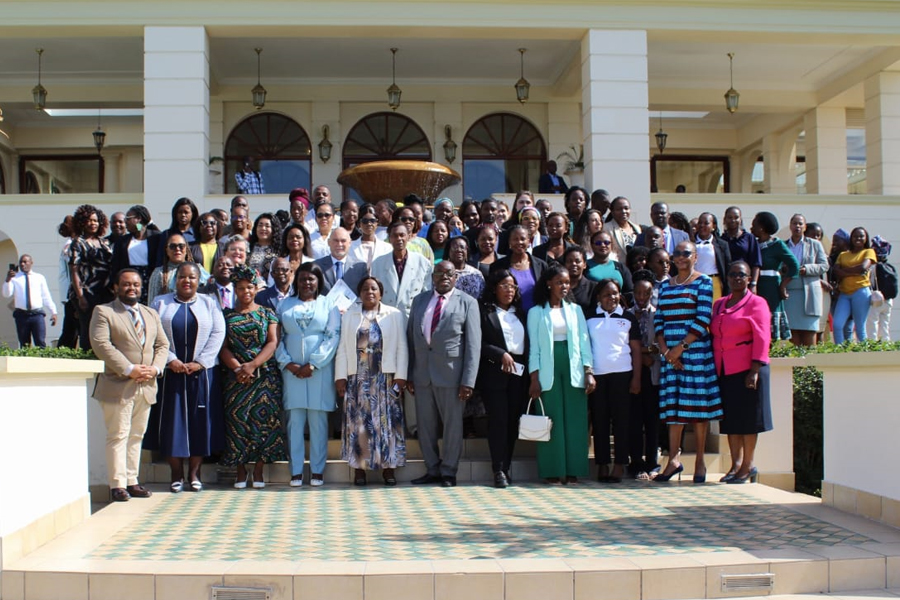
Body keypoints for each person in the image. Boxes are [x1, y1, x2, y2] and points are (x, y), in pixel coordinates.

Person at [89, 268, 169, 502]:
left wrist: (155, 368)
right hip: (118, 385)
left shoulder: (150, 313)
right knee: (118, 435)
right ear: (115, 287)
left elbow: (162, 345)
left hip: (146, 385)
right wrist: (129, 369)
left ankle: (132, 480)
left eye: (135, 284)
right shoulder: (104, 312)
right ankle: (117, 485)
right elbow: (101, 344)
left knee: (137, 436)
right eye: (126, 284)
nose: (131, 288)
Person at [147, 263, 226, 492]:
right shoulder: (160, 303)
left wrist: (200, 361)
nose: (187, 281)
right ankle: (176, 474)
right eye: (182, 277)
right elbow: (155, 334)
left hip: (202, 375)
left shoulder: (209, 303)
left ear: (198, 280)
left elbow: (218, 332)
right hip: (172, 373)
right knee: (173, 424)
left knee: (199, 422)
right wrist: (171, 359)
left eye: (192, 277)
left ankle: (194, 473)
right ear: (175, 279)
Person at [407, 260, 482, 487]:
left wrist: (468, 380)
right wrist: (410, 373)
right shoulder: (419, 301)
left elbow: (473, 344)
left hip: (452, 375)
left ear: (455, 277)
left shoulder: (467, 302)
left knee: (452, 426)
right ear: (433, 276)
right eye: (439, 273)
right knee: (426, 426)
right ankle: (432, 469)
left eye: (449, 273)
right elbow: (411, 339)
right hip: (422, 375)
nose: (444, 277)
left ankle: (449, 471)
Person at [654, 241, 722, 483]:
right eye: (677, 254)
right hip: (670, 357)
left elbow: (704, 318)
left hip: (694, 353)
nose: (681, 257)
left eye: (686, 253)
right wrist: (666, 351)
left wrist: (680, 348)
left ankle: (701, 461)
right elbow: (659, 319)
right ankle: (673, 460)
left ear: (695, 257)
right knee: (674, 408)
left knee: (697, 409)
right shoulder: (665, 286)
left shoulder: (703, 282)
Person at [335, 276, 409, 486]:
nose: (370, 292)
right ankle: (360, 469)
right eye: (365, 289)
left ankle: (388, 469)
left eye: (374, 288)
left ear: (381, 293)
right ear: (360, 294)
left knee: (387, 423)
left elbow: (402, 347)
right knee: (360, 425)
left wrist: (401, 377)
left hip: (385, 378)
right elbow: (342, 347)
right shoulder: (350, 315)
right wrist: (340, 377)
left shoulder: (394, 315)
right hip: (358, 379)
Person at [219, 264, 287, 489]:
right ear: (235, 290)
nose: (246, 292)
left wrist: (253, 366)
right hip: (235, 377)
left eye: (250, 287)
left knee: (262, 422)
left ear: (256, 288)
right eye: (240, 288)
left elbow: (273, 342)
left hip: (264, 375)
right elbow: (223, 346)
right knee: (237, 422)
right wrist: (239, 368)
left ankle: (258, 469)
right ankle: (240, 469)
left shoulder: (267, 313)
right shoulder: (226, 315)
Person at [527, 263, 595, 484]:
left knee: (575, 420)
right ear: (549, 284)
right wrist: (534, 378)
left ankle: (574, 469)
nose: (564, 286)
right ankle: (552, 470)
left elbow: (585, 342)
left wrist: (589, 371)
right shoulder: (536, 312)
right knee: (552, 419)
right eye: (559, 282)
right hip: (548, 369)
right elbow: (534, 347)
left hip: (573, 367)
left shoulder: (575, 311)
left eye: (566, 282)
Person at [276, 263, 341, 488]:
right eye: (302, 279)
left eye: (311, 279)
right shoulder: (284, 304)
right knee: (294, 422)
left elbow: (333, 336)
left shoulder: (328, 304)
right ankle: (295, 471)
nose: (307, 283)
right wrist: (288, 363)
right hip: (291, 372)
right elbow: (277, 336)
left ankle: (317, 470)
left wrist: (313, 364)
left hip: (319, 372)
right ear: (297, 281)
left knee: (318, 422)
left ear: (318, 282)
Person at [711, 260, 772, 484]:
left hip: (748, 369)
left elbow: (763, 337)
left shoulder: (757, 303)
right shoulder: (719, 304)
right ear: (726, 278)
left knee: (748, 420)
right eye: (733, 274)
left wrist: (755, 369)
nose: (737, 278)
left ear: (749, 279)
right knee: (731, 421)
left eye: (742, 275)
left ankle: (748, 465)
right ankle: (735, 464)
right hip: (725, 369)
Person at [585, 278, 641, 483]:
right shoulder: (589, 317)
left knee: (622, 422)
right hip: (597, 377)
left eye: (616, 293)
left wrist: (636, 378)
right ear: (599, 297)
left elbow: (636, 350)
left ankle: (619, 464)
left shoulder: (628, 318)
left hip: (623, 375)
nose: (612, 298)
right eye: (607, 294)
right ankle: (602, 464)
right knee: (600, 421)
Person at [477, 269, 529, 488]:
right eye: (504, 286)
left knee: (512, 421)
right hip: (494, 372)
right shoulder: (484, 311)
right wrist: (500, 354)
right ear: (494, 288)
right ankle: (498, 470)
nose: (509, 290)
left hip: (519, 374)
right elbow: (477, 343)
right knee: (498, 421)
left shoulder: (521, 313)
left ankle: (506, 466)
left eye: (513, 286)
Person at [628, 270, 661, 480]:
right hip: (633, 374)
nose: (641, 298)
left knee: (653, 421)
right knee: (634, 420)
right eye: (638, 293)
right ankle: (636, 462)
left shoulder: (658, 314)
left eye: (646, 293)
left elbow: (661, 342)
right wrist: (643, 353)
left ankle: (652, 462)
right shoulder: (626, 314)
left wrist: (650, 352)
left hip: (653, 374)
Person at [69, 204, 113, 350]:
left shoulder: (105, 243)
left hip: (105, 292)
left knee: (104, 328)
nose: (93, 223)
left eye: (95, 220)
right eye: (89, 220)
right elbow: (74, 270)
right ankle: (88, 361)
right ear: (82, 222)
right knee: (88, 328)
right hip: (86, 293)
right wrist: (80, 296)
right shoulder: (78, 243)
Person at [751, 212, 800, 341]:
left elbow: (794, 265)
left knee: (769, 322)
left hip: (771, 288)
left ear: (761, 228)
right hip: (756, 287)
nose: (751, 227)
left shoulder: (777, 245)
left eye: (754, 225)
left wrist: (783, 285)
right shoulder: (754, 244)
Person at [784, 214, 829, 346]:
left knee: (809, 333)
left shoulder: (815, 245)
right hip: (790, 293)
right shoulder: (784, 245)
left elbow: (824, 265)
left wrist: (807, 269)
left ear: (805, 227)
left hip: (809, 294)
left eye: (800, 224)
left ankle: (810, 366)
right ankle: (797, 367)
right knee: (794, 334)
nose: (797, 226)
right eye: (794, 223)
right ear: (790, 226)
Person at [371, 222, 433, 317]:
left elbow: (427, 294)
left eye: (402, 235)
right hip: (386, 317)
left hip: (412, 317)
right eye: (395, 236)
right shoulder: (377, 263)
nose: (399, 239)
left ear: (408, 236)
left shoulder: (422, 263)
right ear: (389, 239)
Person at [833, 226, 876, 343]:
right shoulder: (843, 254)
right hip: (844, 293)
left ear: (866, 238)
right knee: (837, 324)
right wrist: (855, 271)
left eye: (861, 236)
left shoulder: (869, 252)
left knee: (860, 326)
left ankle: (863, 353)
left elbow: (863, 267)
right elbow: (836, 271)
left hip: (861, 292)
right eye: (855, 236)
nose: (858, 238)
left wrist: (845, 271)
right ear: (851, 239)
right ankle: (839, 351)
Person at [3, 254, 57, 348]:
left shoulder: (39, 277)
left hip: (37, 314)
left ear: (31, 263)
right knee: (24, 344)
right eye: (21, 262)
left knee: (40, 342)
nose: (23, 264)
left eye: (25, 262)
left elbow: (46, 296)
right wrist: (8, 280)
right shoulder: (15, 278)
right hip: (22, 315)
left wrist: (53, 312)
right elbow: (6, 294)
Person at [491, 225, 548, 312]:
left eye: (522, 239)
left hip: (537, 315)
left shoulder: (541, 265)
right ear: (509, 242)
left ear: (529, 241)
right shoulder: (498, 266)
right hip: (510, 317)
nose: (519, 242)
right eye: (515, 239)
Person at [313, 226, 367, 297]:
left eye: (343, 241)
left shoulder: (360, 267)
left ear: (349, 243)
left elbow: (364, 293)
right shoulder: (317, 266)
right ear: (329, 242)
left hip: (353, 308)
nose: (339, 244)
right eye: (336, 240)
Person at [149, 197, 200, 269]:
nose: (183, 215)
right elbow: (160, 258)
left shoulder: (197, 234)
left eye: (186, 212)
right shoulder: (167, 234)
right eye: (180, 212)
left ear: (193, 214)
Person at [721, 206, 763, 290]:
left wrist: (753, 284)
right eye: (730, 217)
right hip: (726, 283)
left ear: (740, 219)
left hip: (744, 282)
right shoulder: (721, 240)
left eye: (736, 217)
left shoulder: (749, 238)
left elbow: (756, 263)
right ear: (725, 219)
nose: (733, 220)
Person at [693, 212, 732, 302]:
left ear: (713, 226)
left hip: (714, 283)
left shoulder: (722, 245)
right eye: (700, 223)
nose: (702, 225)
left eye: (706, 223)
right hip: (694, 282)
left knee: (714, 311)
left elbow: (728, 267)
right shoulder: (690, 243)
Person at [584, 231, 634, 299]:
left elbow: (630, 291)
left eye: (606, 242)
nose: (603, 245)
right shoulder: (584, 267)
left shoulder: (621, 267)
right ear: (592, 245)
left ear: (611, 245)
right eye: (598, 243)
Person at [148, 233, 193, 305]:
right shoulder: (159, 273)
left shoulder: (198, 270)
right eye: (172, 246)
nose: (177, 249)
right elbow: (152, 303)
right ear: (167, 250)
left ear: (186, 249)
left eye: (181, 246)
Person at [57, 216, 80, 349]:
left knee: (73, 330)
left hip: (71, 294)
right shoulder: (70, 245)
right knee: (70, 331)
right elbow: (72, 271)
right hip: (72, 295)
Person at [868, 236, 896, 341]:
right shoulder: (889, 266)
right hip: (889, 300)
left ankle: (872, 344)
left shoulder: (874, 267)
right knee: (885, 324)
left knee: (873, 322)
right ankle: (886, 343)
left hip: (877, 299)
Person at [349, 205, 391, 269]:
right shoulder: (350, 246)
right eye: (365, 221)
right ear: (359, 223)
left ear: (377, 223)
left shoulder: (387, 248)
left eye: (372, 220)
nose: (369, 223)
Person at [602, 196, 641, 262]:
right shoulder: (606, 228)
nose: (623, 211)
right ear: (612, 212)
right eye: (619, 209)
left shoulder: (637, 228)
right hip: (618, 268)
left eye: (626, 208)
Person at [445, 236, 485, 300]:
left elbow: (482, 296)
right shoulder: (442, 272)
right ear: (448, 251)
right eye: (455, 247)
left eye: (462, 247)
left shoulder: (476, 273)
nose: (459, 250)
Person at [248, 213, 283, 282]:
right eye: (260, 225)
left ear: (274, 229)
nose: (263, 228)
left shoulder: (279, 250)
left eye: (267, 226)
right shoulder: (248, 248)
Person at [564, 246, 595, 317]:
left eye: (577, 261)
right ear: (564, 265)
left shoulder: (593, 287)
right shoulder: (559, 287)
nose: (573, 264)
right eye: (569, 261)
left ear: (584, 265)